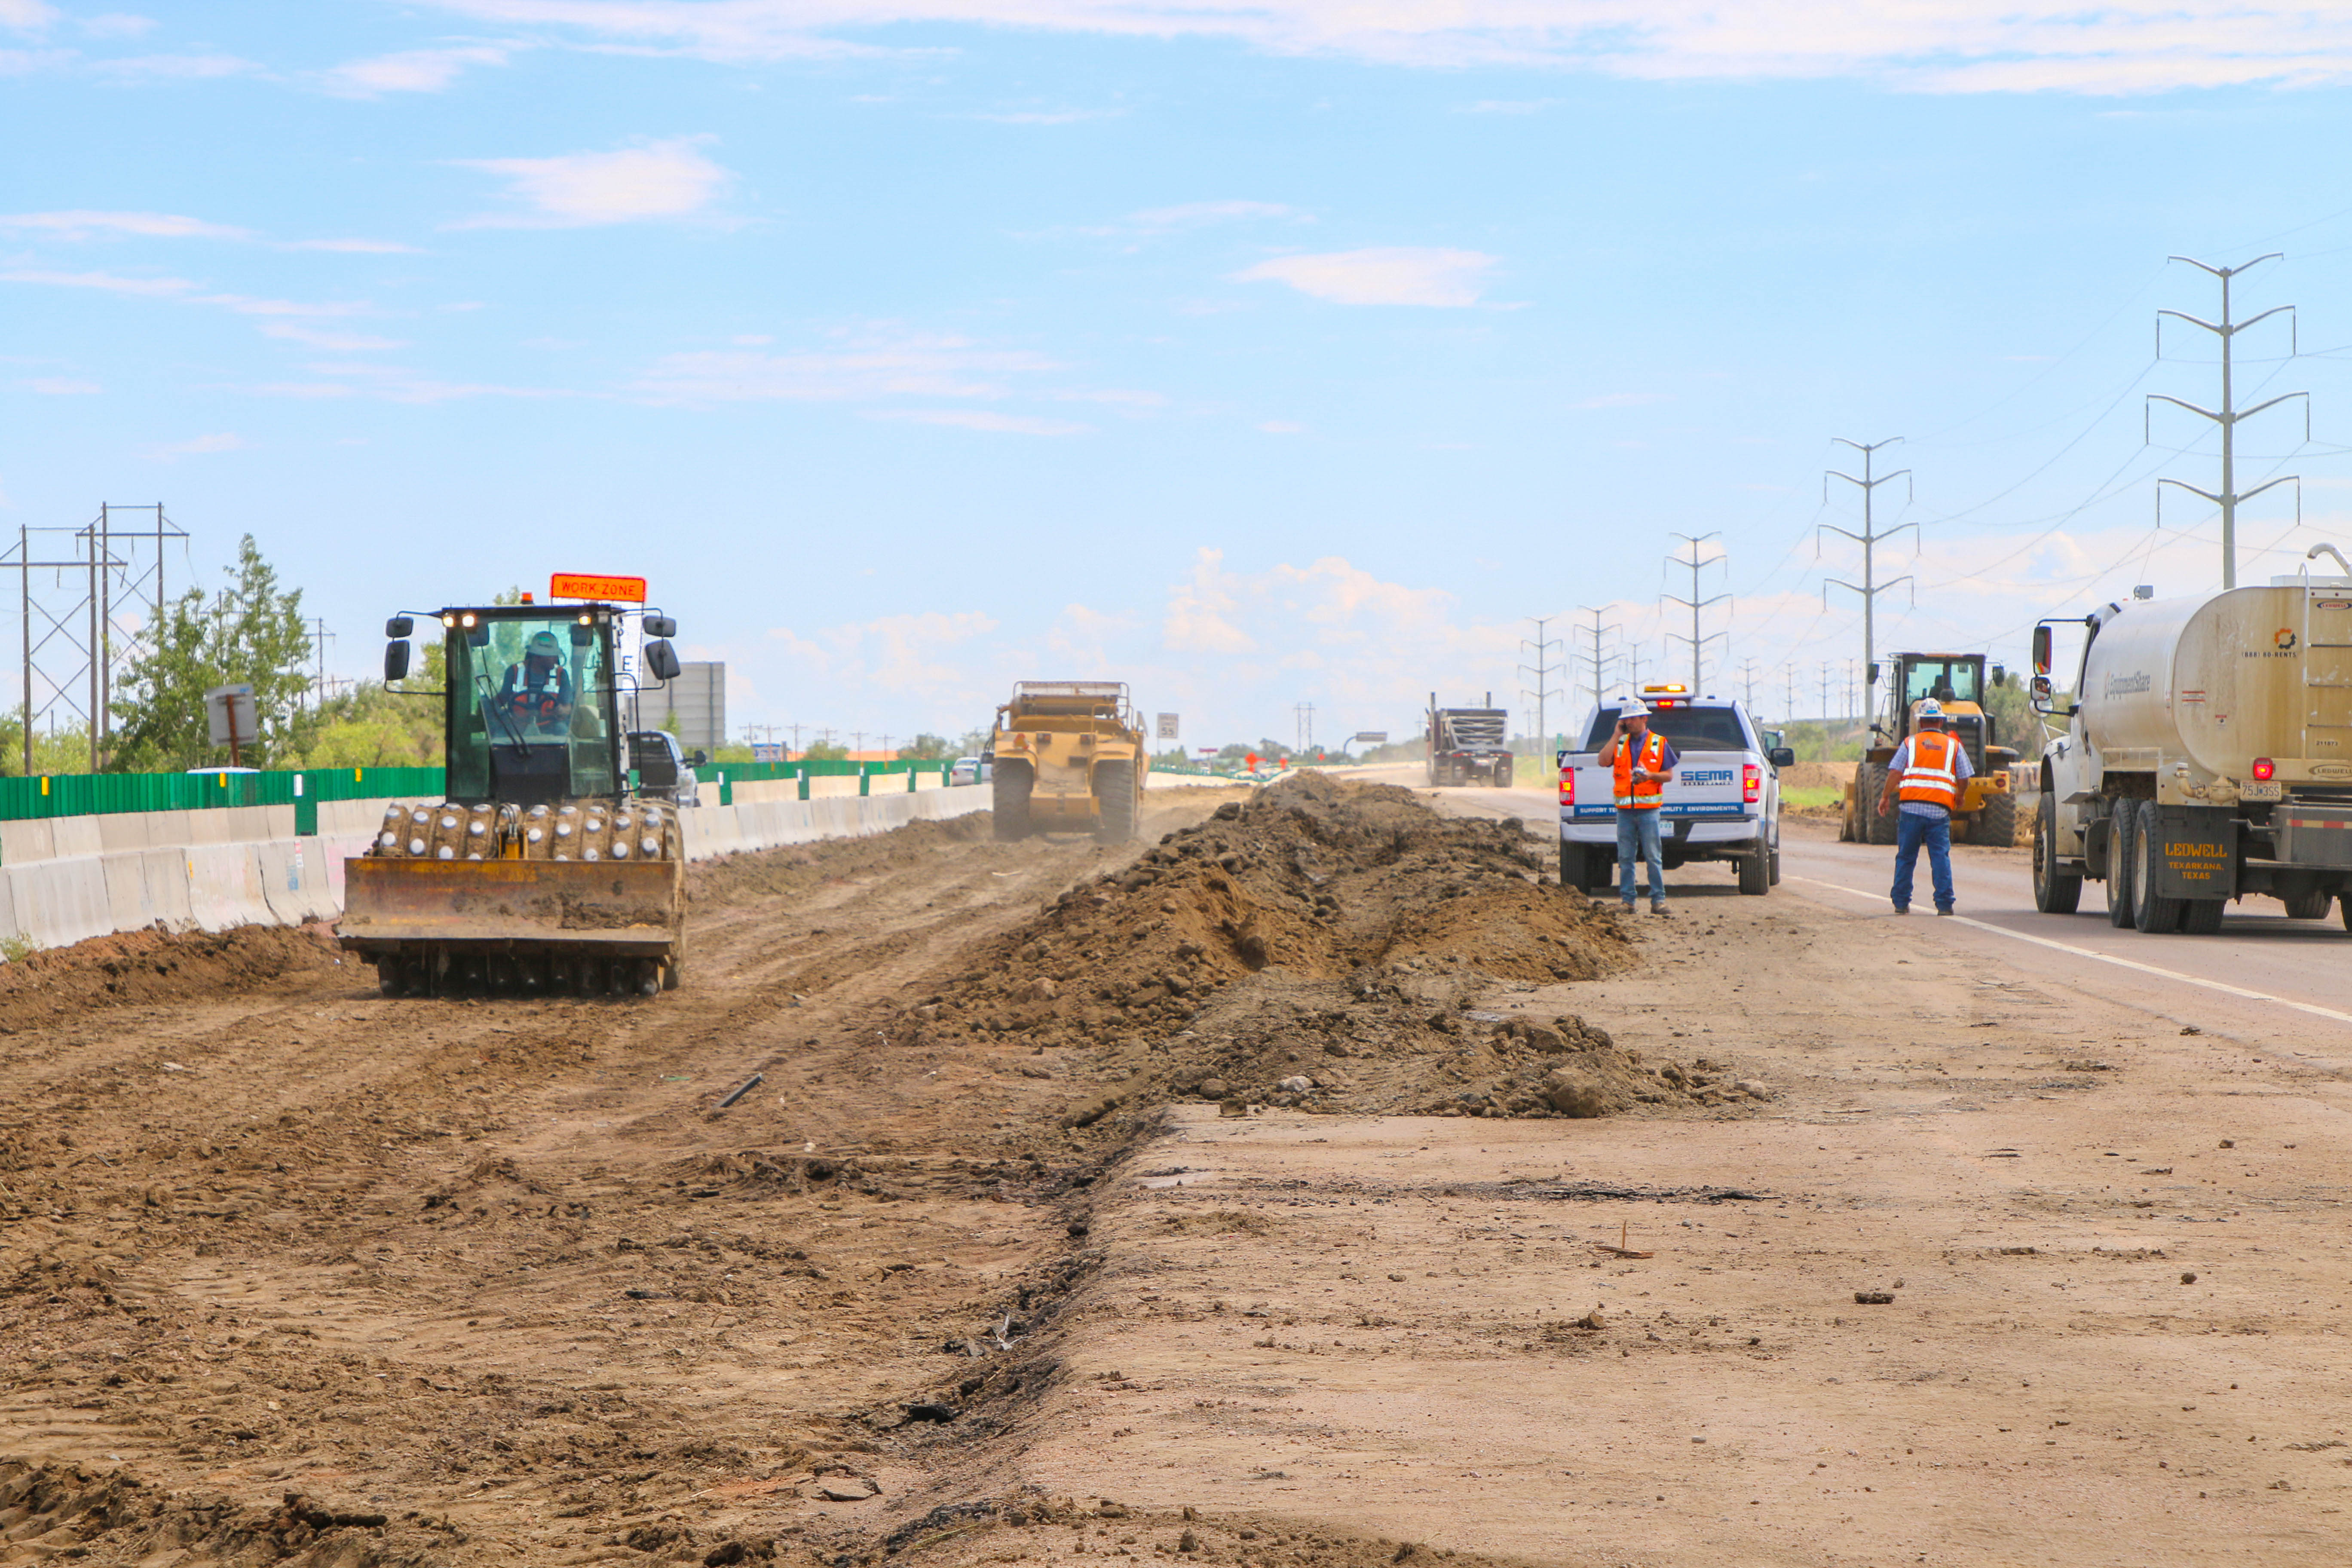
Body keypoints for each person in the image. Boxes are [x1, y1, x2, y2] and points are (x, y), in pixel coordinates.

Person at [1877, 698, 1973, 916]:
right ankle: (1945, 904)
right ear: (1940, 722)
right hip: (1939, 812)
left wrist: (1885, 797)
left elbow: (1894, 772)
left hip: (1910, 810)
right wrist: (1960, 795)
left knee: (1906, 857)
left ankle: (1901, 903)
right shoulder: (1954, 746)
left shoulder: (1910, 743)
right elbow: (1965, 777)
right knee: (1940, 857)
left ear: (1921, 723)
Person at [1596, 698, 1678, 914]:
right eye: (1625, 719)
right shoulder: (1620, 743)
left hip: (1649, 811)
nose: (1628, 723)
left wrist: (1650, 776)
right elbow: (1603, 761)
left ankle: (1658, 901)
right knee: (1625, 857)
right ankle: (1628, 901)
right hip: (1625, 811)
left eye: (1632, 718)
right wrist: (1616, 735)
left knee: (1653, 856)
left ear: (1644, 719)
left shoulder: (1659, 743)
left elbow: (1669, 775)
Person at [496, 630, 576, 738]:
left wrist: (563, 710)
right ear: (538, 657)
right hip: (517, 725)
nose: (555, 659)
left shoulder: (561, 674)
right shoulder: (514, 671)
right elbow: (502, 699)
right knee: (499, 736)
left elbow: (568, 707)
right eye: (551, 656)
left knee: (563, 733)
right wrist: (487, 708)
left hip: (550, 726)